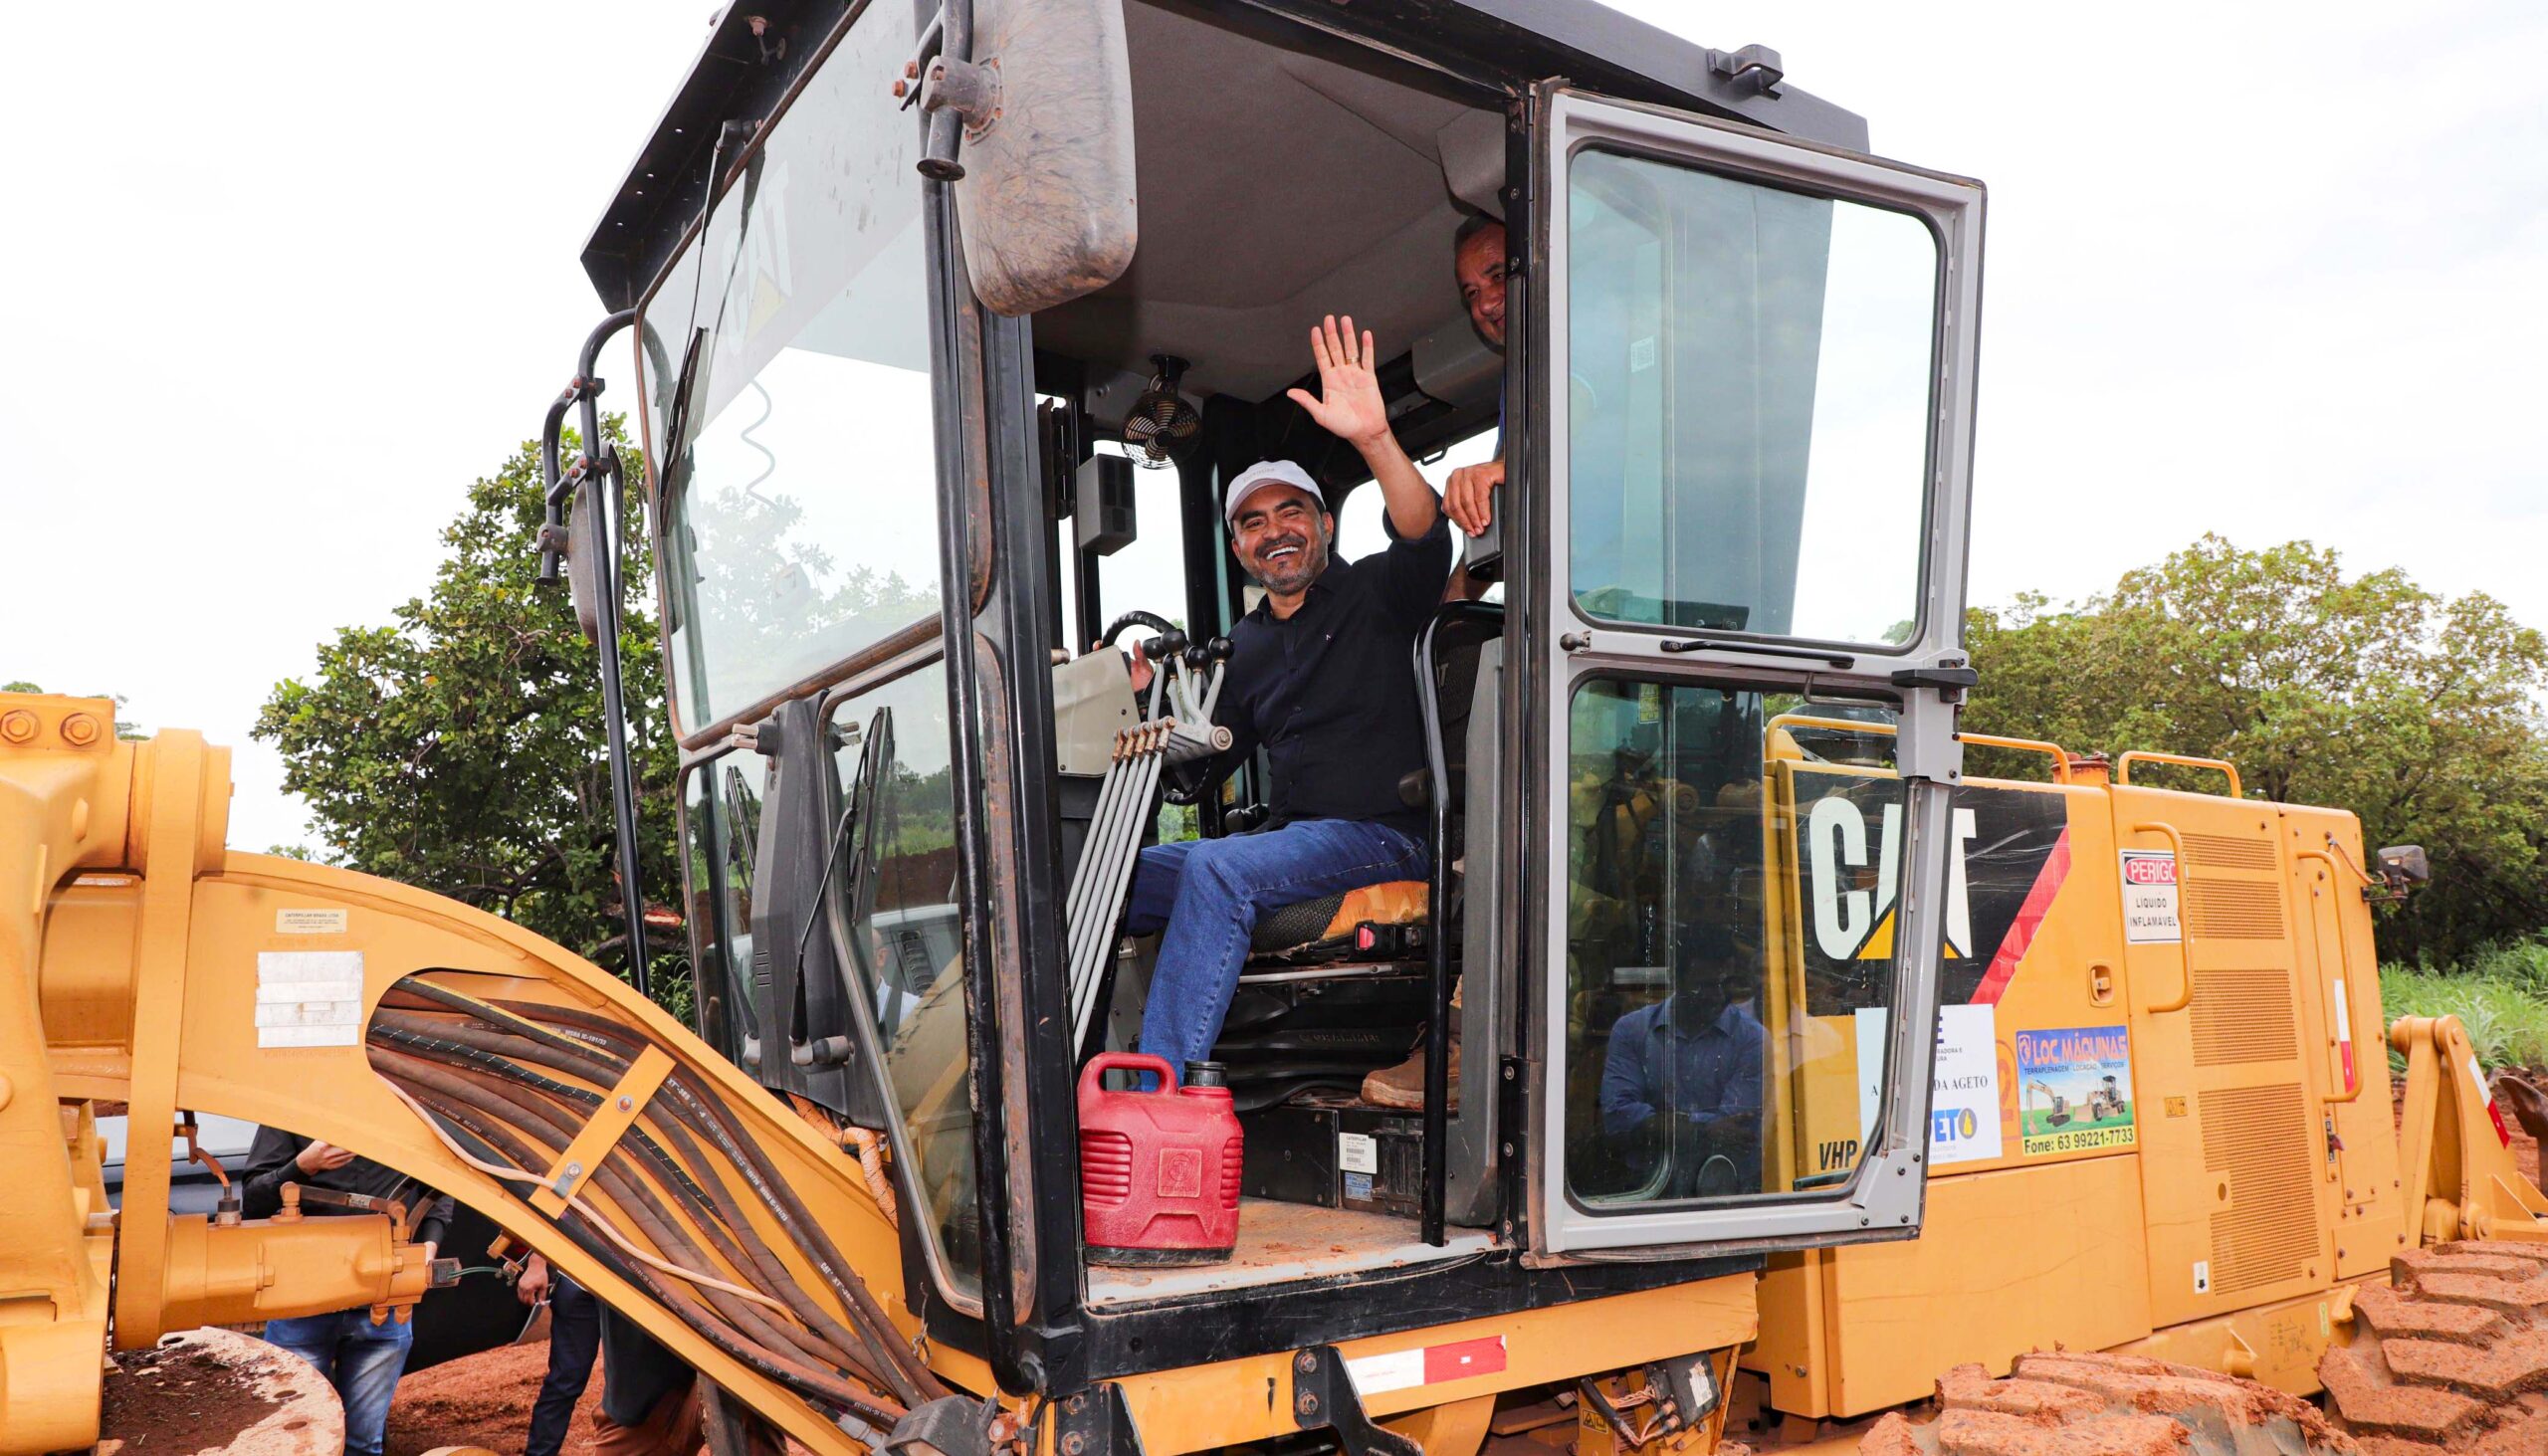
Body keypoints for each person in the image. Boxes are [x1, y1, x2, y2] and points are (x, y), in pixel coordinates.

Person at [1123, 314, 1454, 1078]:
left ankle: (1156, 1095)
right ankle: (1068, 1071)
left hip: (1383, 834)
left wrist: (1374, 438)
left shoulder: (1377, 593)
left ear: (1324, 525)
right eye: (1254, 522)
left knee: (1218, 871)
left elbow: (1424, 535)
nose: (1275, 531)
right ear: (1239, 547)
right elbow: (1200, 772)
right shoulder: (1244, 647)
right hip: (1290, 843)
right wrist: (1146, 708)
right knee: (1118, 878)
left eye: (1291, 512)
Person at [241, 1133, 453, 1456]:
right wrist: (302, 1165)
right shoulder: (290, 1104)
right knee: (290, 1441)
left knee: (364, 1444)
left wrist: (429, 1244)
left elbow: (441, 1183)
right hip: (302, 1300)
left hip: (383, 1301)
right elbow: (254, 1201)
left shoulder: (404, 1107)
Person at [1597, 945, 1766, 1198]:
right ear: (1678, 981)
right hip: (1644, 1188)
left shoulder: (1751, 1038)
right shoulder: (1633, 1030)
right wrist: (1705, 1130)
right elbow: (1617, 1115)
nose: (1718, 996)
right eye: (1705, 986)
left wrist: (1660, 1123)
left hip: (1725, 1189)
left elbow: (1737, 1129)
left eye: (1726, 985)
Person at [516, 1253, 600, 1456]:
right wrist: (537, 1263)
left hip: (638, 1283)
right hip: (579, 1278)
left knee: (635, 1385)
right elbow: (546, 1219)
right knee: (565, 1380)